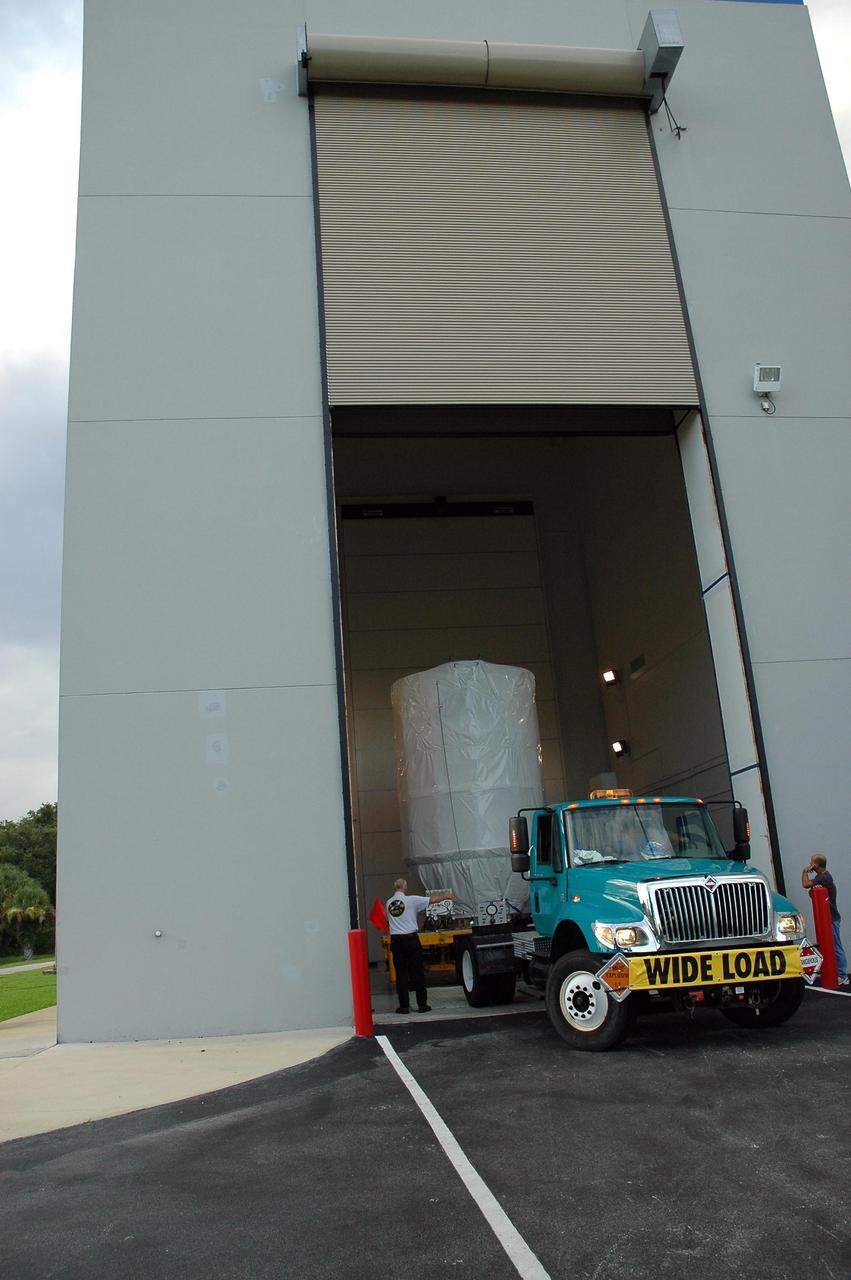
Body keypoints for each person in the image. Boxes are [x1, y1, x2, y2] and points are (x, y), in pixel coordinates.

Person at [386, 878, 453, 1014]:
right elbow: (432, 900)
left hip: (396, 940)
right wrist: (446, 896)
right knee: (417, 972)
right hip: (410, 939)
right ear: (405, 887)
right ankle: (422, 1004)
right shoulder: (411, 900)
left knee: (401, 974)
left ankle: (404, 1006)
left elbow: (388, 920)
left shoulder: (388, 903)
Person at [802, 855, 849, 987]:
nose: (810, 863)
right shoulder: (821, 877)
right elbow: (811, 891)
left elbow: (805, 885)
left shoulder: (824, 877)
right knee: (830, 946)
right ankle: (835, 973)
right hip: (828, 918)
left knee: (836, 946)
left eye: (812, 862)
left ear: (816, 865)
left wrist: (804, 871)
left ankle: (842, 975)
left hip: (832, 918)